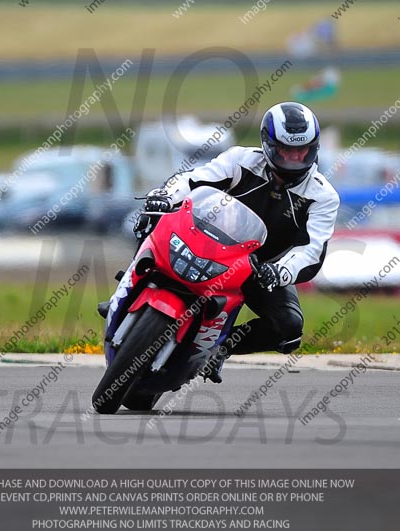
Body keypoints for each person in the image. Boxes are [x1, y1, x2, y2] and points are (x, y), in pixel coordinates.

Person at [132, 102, 339, 383]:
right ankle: (128, 290)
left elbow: (311, 250)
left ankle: (219, 349)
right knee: (155, 220)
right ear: (269, 144)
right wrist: (164, 196)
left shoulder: (323, 196)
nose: (295, 158)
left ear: (314, 148)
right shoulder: (240, 160)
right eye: (287, 150)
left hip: (259, 268)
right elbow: (192, 180)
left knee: (289, 327)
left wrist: (279, 272)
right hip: (206, 243)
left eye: (302, 150)